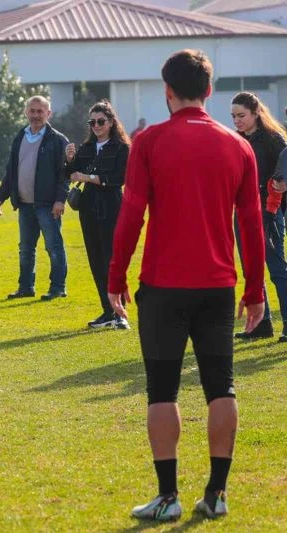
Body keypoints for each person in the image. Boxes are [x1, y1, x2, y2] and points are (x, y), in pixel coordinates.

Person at [107, 50, 265, 521]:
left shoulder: (150, 141)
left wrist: (115, 277)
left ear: (167, 90)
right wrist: (255, 290)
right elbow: (252, 225)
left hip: (163, 286)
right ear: (210, 91)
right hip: (217, 287)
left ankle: (168, 496)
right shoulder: (238, 146)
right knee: (222, 388)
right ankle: (216, 494)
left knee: (162, 391)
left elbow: (130, 215)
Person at [0, 95, 69, 301]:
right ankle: (26, 287)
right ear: (26, 112)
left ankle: (58, 287)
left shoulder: (58, 140)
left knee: (54, 247)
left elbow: (65, 174)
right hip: (25, 205)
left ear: (48, 113)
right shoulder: (20, 136)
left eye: (40, 111)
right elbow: (11, 170)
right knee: (26, 249)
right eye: (32, 111)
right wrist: (1, 197)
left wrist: (60, 200)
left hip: (48, 205)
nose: (36, 115)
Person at [65, 101, 130, 329]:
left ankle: (120, 312)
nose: (96, 126)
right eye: (92, 122)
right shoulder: (87, 148)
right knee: (95, 259)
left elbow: (120, 178)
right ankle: (107, 310)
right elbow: (69, 174)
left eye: (100, 121)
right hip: (89, 208)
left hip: (111, 207)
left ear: (111, 122)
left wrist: (89, 178)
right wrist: (70, 160)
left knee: (112, 260)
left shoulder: (122, 148)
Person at [229, 92, 287, 341]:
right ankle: (262, 324)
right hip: (241, 212)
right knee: (252, 271)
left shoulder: (274, 139)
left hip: (268, 213)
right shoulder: (235, 140)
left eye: (241, 115)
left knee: (277, 270)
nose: (237, 121)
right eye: (233, 116)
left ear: (256, 113)